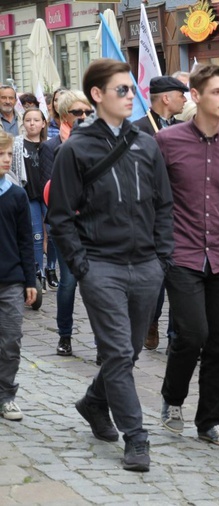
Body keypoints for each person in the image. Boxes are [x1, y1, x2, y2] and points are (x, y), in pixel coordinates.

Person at [48, 59, 174, 472]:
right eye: (121, 90)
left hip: (146, 266)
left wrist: (162, 255)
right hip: (101, 266)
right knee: (118, 352)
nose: (129, 97)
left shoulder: (146, 142)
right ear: (97, 95)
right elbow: (61, 216)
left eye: (130, 90)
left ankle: (93, 402)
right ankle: (136, 438)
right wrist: (82, 266)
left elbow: (163, 203)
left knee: (130, 352)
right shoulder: (75, 149)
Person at [156, 64, 219, 448]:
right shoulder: (168, 142)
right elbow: (153, 199)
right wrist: (158, 247)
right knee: (192, 334)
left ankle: (210, 421)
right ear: (195, 96)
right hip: (181, 255)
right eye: (217, 92)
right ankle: (172, 398)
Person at [133, 76, 189, 352]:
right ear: (166, 97)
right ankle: (151, 321)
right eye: (181, 94)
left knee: (179, 279)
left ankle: (174, 335)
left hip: (182, 214)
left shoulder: (182, 128)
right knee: (156, 277)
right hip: (151, 217)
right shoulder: (139, 129)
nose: (185, 99)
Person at [40, 90, 94, 357]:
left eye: (88, 112)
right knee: (69, 282)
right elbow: (50, 188)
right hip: (65, 225)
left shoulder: (99, 143)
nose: (84, 117)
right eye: (78, 112)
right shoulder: (52, 147)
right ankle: (65, 335)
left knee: (97, 285)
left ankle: (101, 343)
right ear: (63, 115)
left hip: (95, 225)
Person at [0, 131, 37, 421]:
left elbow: (26, 240)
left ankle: (6, 395)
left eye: (8, 155)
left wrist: (30, 280)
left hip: (10, 280)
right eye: (0, 155)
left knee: (11, 340)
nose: (5, 160)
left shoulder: (16, 194)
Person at [10, 108, 48, 291]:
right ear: (23, 123)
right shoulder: (18, 144)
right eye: (28, 120)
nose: (32, 123)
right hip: (29, 195)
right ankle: (38, 271)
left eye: (36, 120)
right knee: (36, 236)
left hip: (49, 196)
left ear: (43, 123)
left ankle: (51, 268)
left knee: (54, 233)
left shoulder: (49, 144)